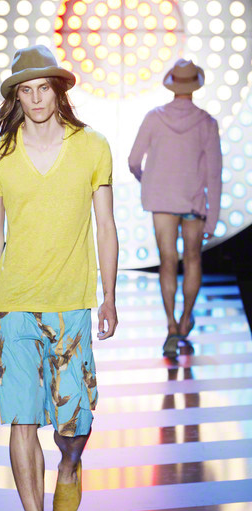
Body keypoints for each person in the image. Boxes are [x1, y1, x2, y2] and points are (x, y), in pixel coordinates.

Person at [0, 45, 118, 511]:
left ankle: (70, 466)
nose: (35, 98)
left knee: (73, 423)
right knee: (21, 420)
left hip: (72, 304)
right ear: (16, 97)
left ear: (59, 92)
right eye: (26, 90)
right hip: (15, 306)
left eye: (43, 88)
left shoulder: (92, 146)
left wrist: (109, 295)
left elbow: (105, 225)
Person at [128, 58, 222, 358]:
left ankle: (170, 325)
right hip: (193, 202)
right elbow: (214, 174)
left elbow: (133, 160)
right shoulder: (207, 123)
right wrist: (212, 219)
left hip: (162, 201)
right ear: (195, 86)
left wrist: (148, 180)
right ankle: (184, 319)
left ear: (172, 84)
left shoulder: (154, 118)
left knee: (167, 261)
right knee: (193, 260)